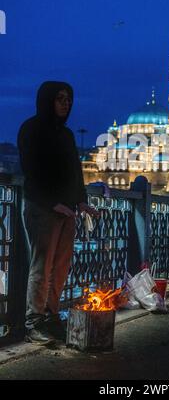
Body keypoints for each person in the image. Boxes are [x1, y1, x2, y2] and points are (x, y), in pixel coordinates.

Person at [17, 81, 99, 345]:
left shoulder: (66, 135)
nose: (66, 103)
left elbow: (75, 173)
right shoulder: (32, 129)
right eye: (60, 98)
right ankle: (33, 322)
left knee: (60, 267)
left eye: (69, 99)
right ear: (47, 100)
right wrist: (53, 203)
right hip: (43, 209)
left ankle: (52, 316)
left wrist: (81, 201)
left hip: (67, 211)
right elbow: (32, 172)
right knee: (42, 267)